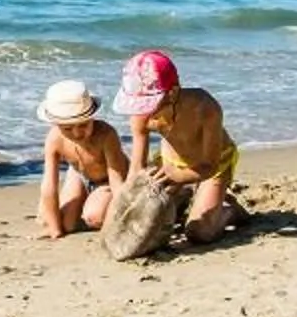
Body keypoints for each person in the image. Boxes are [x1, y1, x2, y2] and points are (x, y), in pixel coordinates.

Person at [117, 50, 244, 244]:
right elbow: (136, 170)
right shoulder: (140, 114)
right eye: (140, 105)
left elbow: (209, 166)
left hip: (213, 165)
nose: (145, 114)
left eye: (150, 106)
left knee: (199, 232)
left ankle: (228, 209)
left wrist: (176, 176)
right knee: (150, 221)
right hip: (169, 165)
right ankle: (187, 195)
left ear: (173, 92)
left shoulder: (205, 107)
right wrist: (122, 209)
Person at [33, 79, 129, 240]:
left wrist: (117, 225)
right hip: (79, 175)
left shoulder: (106, 134)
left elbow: (117, 182)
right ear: (56, 124)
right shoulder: (54, 138)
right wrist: (54, 228)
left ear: (92, 117)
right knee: (64, 224)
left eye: (83, 125)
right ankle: (83, 204)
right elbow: (49, 184)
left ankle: (94, 204)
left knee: (95, 217)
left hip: (107, 180)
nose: (77, 134)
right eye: (67, 128)